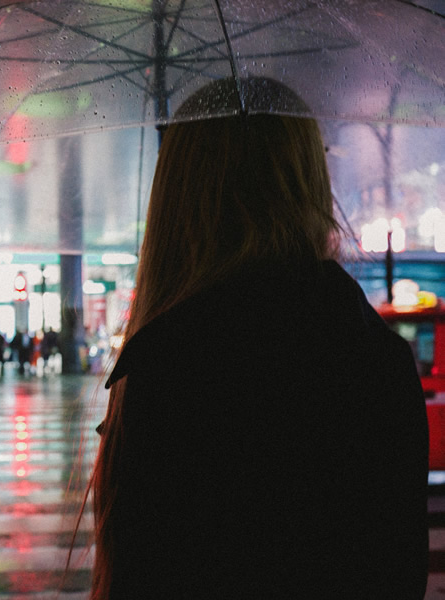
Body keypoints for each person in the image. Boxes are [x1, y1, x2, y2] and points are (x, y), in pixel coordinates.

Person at [86, 77, 428, 599]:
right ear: (310, 180)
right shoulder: (378, 358)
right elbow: (398, 572)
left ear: (180, 195)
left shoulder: (174, 362)